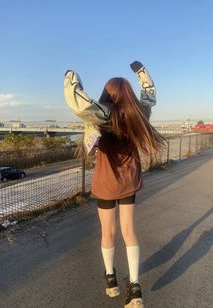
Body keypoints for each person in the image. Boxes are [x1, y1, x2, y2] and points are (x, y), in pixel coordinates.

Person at [64, 61, 165, 308]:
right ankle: (135, 287)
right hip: (130, 179)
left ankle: (111, 281)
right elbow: (150, 94)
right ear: (128, 93)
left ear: (108, 93)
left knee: (107, 232)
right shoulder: (138, 113)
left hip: (106, 181)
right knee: (129, 231)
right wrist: (142, 73)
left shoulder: (103, 114)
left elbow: (79, 103)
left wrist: (71, 77)